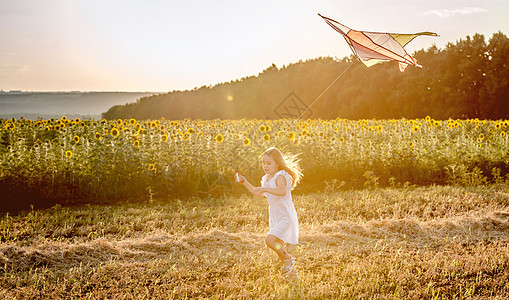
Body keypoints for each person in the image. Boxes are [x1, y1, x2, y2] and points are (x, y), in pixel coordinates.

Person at [238, 147, 303, 279]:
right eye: (263, 163)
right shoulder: (266, 178)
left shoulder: (281, 175)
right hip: (275, 215)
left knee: (270, 240)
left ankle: (289, 260)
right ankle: (293, 274)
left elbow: (281, 191)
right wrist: (244, 182)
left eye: (269, 163)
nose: (265, 166)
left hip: (285, 214)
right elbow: (258, 193)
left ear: (277, 163)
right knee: (279, 245)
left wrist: (265, 188)